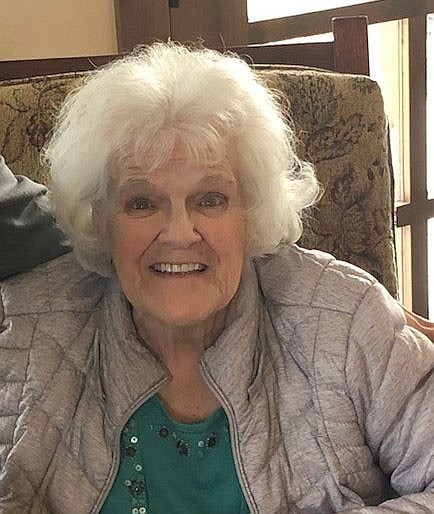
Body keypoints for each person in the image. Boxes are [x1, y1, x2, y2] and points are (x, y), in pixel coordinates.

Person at [1, 43, 434, 514]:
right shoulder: (26, 332)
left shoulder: (343, 319)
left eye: (211, 199)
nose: (180, 234)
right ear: (101, 221)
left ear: (252, 211)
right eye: (141, 203)